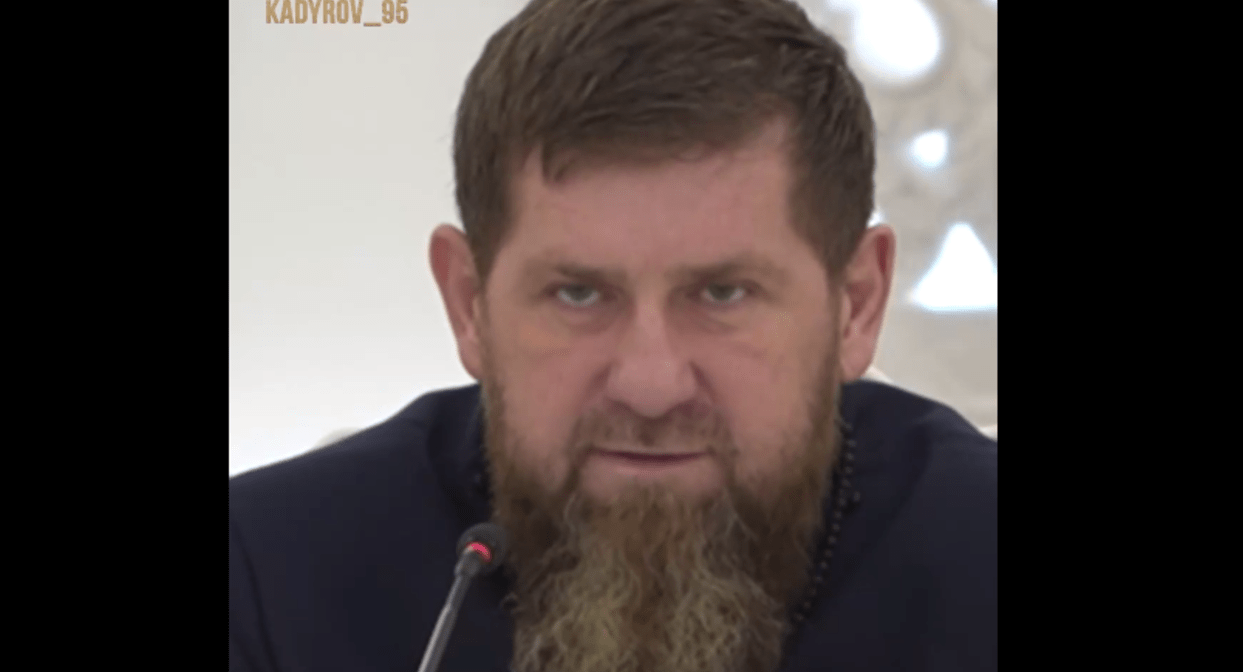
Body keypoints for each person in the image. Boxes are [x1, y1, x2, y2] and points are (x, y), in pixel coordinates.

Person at [228, 0, 998, 670]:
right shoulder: (268, 578)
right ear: (469, 304)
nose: (651, 386)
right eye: (579, 294)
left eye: (722, 293)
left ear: (856, 305)